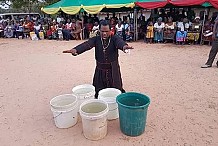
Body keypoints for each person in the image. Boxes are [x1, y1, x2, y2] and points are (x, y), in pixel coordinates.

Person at [63, 20, 133, 98]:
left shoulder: (114, 39)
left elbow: (120, 43)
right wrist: (76, 50)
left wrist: (124, 47)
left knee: (116, 90)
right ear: (99, 30)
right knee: (98, 90)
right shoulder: (96, 39)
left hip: (113, 69)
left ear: (111, 30)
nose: (104, 33)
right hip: (100, 69)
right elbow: (86, 44)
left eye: (106, 31)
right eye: (102, 31)